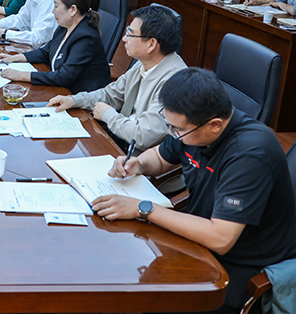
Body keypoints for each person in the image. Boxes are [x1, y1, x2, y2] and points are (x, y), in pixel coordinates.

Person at [92, 68, 296, 313]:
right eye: (169, 125)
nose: (173, 133)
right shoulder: (191, 126)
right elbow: (161, 157)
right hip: (196, 238)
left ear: (215, 125)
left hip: (238, 266)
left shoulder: (250, 155)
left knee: (134, 294)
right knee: (114, 263)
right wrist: (139, 164)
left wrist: (143, 208)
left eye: (176, 129)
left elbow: (221, 238)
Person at [47, 5, 186, 151]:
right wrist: (74, 100)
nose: (124, 39)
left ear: (151, 44)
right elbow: (110, 94)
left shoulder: (175, 83)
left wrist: (107, 114)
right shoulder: (144, 63)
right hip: (120, 140)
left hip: (138, 157)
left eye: (130, 34)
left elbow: (143, 136)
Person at [0, 0, 111, 94]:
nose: (53, 11)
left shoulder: (85, 38)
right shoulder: (65, 27)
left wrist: (21, 75)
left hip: (83, 99)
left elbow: (64, 76)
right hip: (63, 91)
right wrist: (13, 58)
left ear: (73, 10)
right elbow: (46, 51)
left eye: (56, 6)